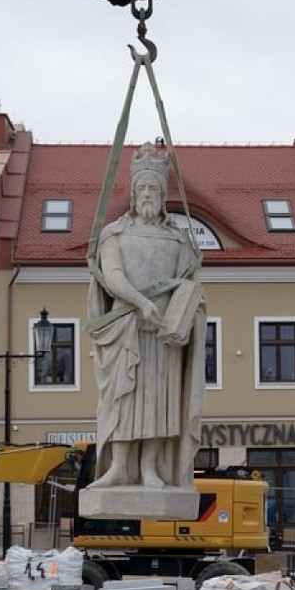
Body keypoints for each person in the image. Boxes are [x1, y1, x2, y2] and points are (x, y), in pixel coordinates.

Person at [87, 141, 206, 491]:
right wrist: (141, 302)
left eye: (154, 188)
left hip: (163, 335)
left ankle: (151, 469)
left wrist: (186, 313)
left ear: (163, 193)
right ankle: (120, 468)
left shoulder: (179, 241)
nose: (148, 194)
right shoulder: (114, 235)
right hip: (126, 330)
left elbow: (190, 288)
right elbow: (113, 276)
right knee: (124, 399)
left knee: (160, 402)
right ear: (134, 192)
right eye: (143, 188)